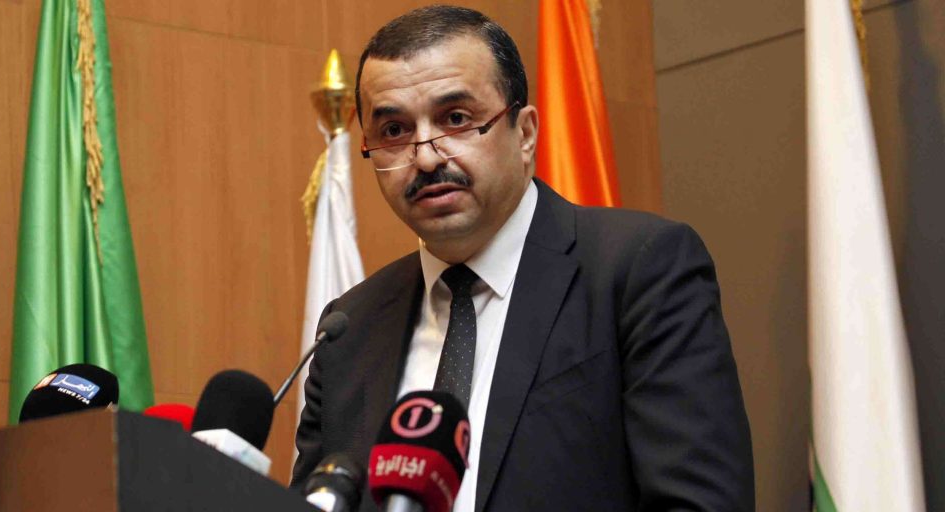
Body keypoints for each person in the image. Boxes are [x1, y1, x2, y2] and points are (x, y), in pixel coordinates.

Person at [292, 5, 754, 511]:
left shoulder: (638, 271)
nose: (424, 157)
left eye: (456, 119)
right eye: (395, 131)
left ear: (526, 133)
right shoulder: (348, 329)